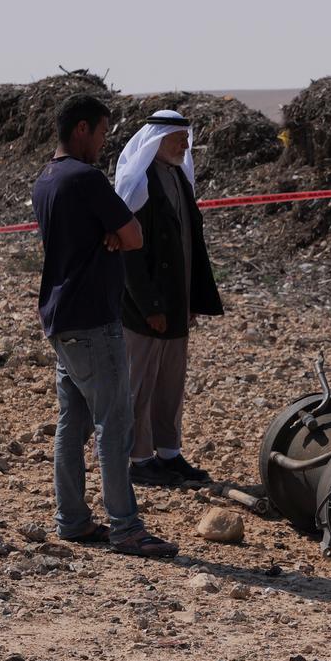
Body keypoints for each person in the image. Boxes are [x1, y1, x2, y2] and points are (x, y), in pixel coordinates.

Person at [31, 93, 178, 558]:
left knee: (72, 423)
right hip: (94, 319)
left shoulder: (46, 180)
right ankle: (125, 526)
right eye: (100, 132)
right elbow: (132, 235)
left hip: (61, 317)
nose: (102, 143)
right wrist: (115, 233)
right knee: (114, 425)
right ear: (81, 129)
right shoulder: (85, 178)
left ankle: (72, 519)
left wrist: (111, 234)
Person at [112, 109, 224, 487]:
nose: (185, 145)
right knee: (140, 384)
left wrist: (189, 300)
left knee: (170, 382)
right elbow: (129, 255)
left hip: (176, 303)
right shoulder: (138, 182)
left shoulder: (177, 176)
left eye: (186, 138)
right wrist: (151, 306)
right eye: (179, 138)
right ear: (156, 140)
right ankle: (139, 459)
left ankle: (169, 454)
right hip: (145, 307)